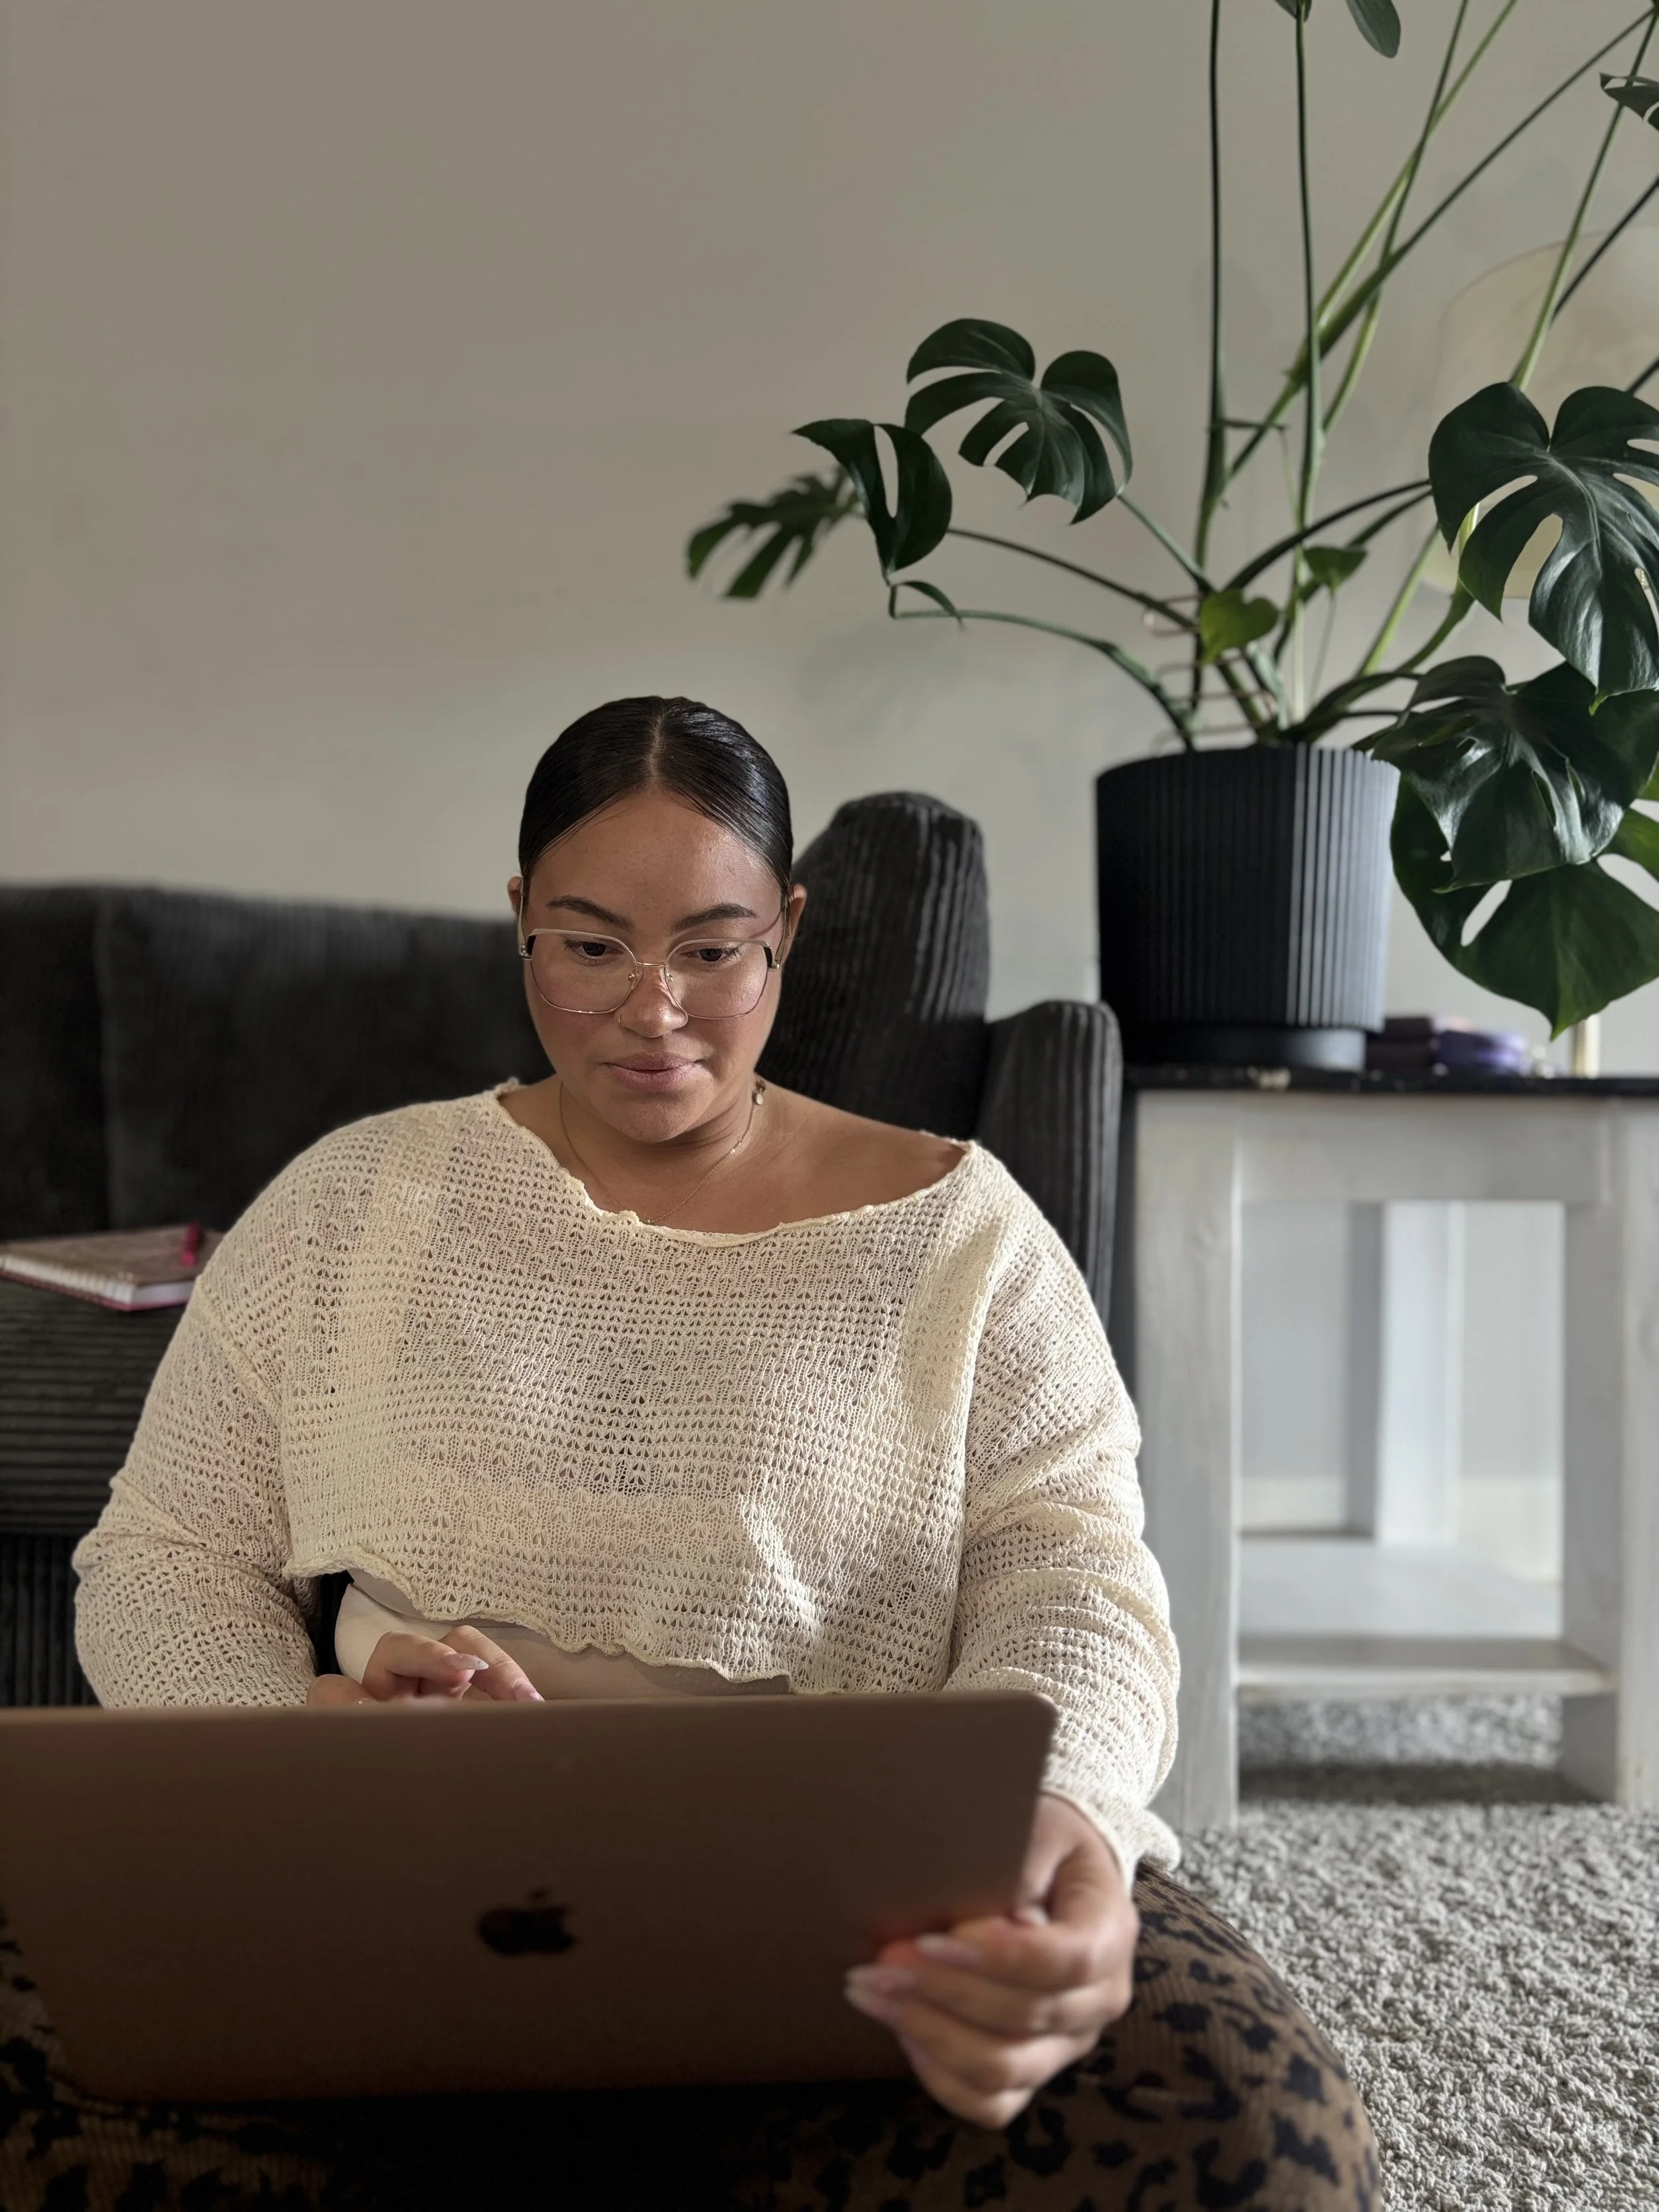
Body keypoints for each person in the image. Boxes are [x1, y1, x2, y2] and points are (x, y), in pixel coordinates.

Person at [64, 696, 1380, 2211]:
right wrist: (299, 1734)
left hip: (854, 1906)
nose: (653, 1009)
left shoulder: (961, 1231)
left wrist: (1056, 1812)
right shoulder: (350, 1201)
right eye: (590, 944)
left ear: (788, 927)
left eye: (710, 946)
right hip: (395, 1876)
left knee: (1246, 2134)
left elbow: (1072, 1568)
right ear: (518, 925)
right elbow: (167, 1552)